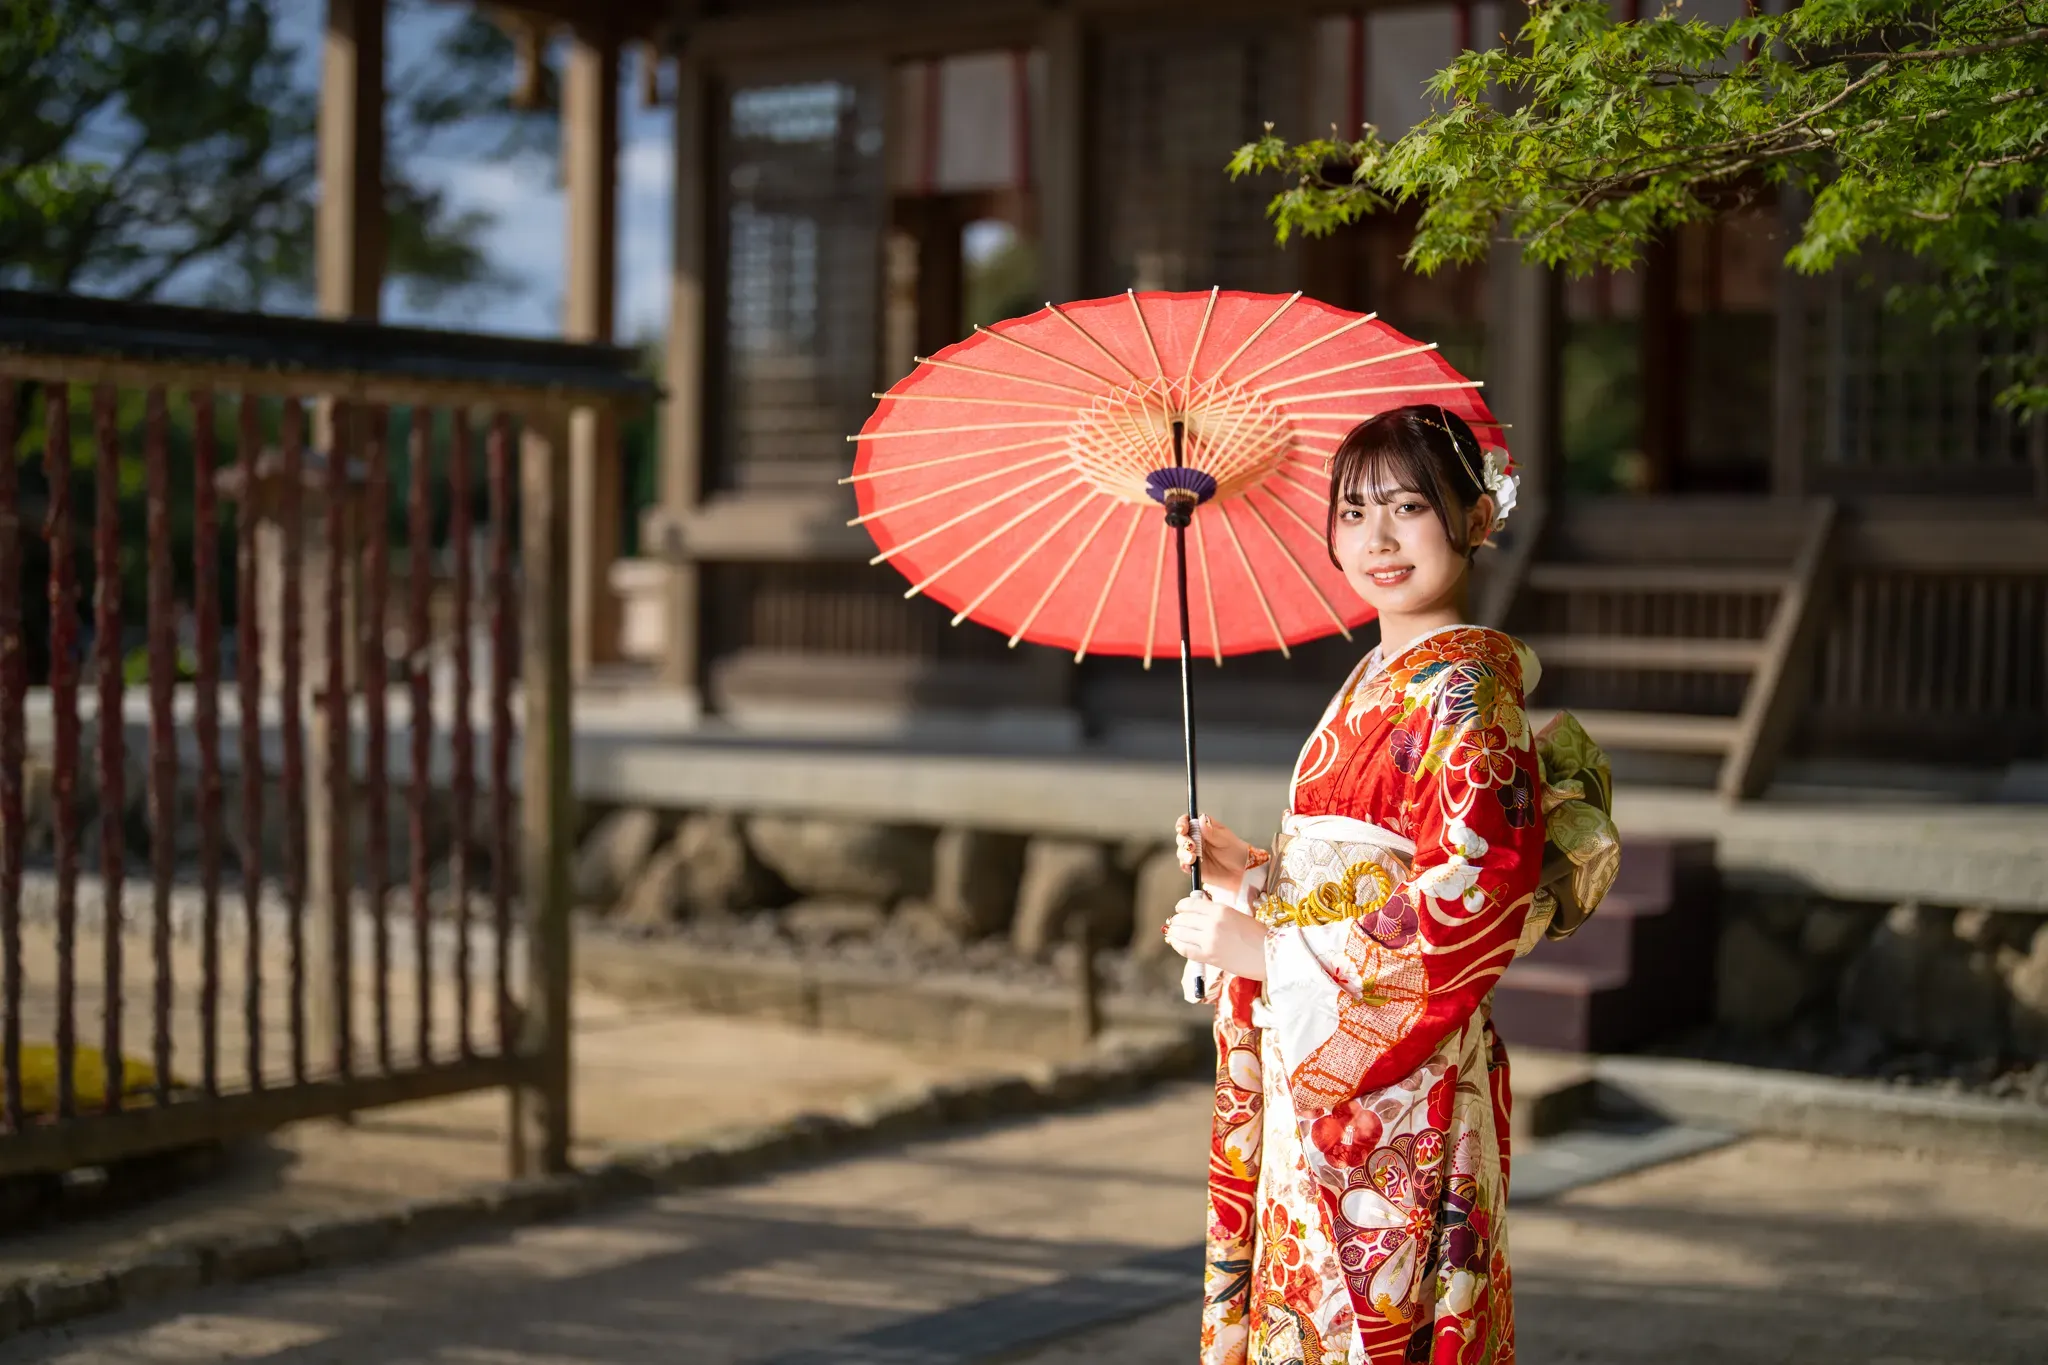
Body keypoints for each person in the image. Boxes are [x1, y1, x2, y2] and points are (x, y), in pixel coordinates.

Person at [1164, 404, 1540, 1365]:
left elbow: (1474, 891)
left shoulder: (1466, 688)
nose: (1376, 538)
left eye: (1409, 506)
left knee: (1377, 1327)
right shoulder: (1377, 675)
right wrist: (1246, 871)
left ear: (1474, 518)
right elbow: (1342, 872)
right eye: (1354, 510)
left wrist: (1264, 949)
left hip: (1400, 1078)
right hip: (1324, 1050)